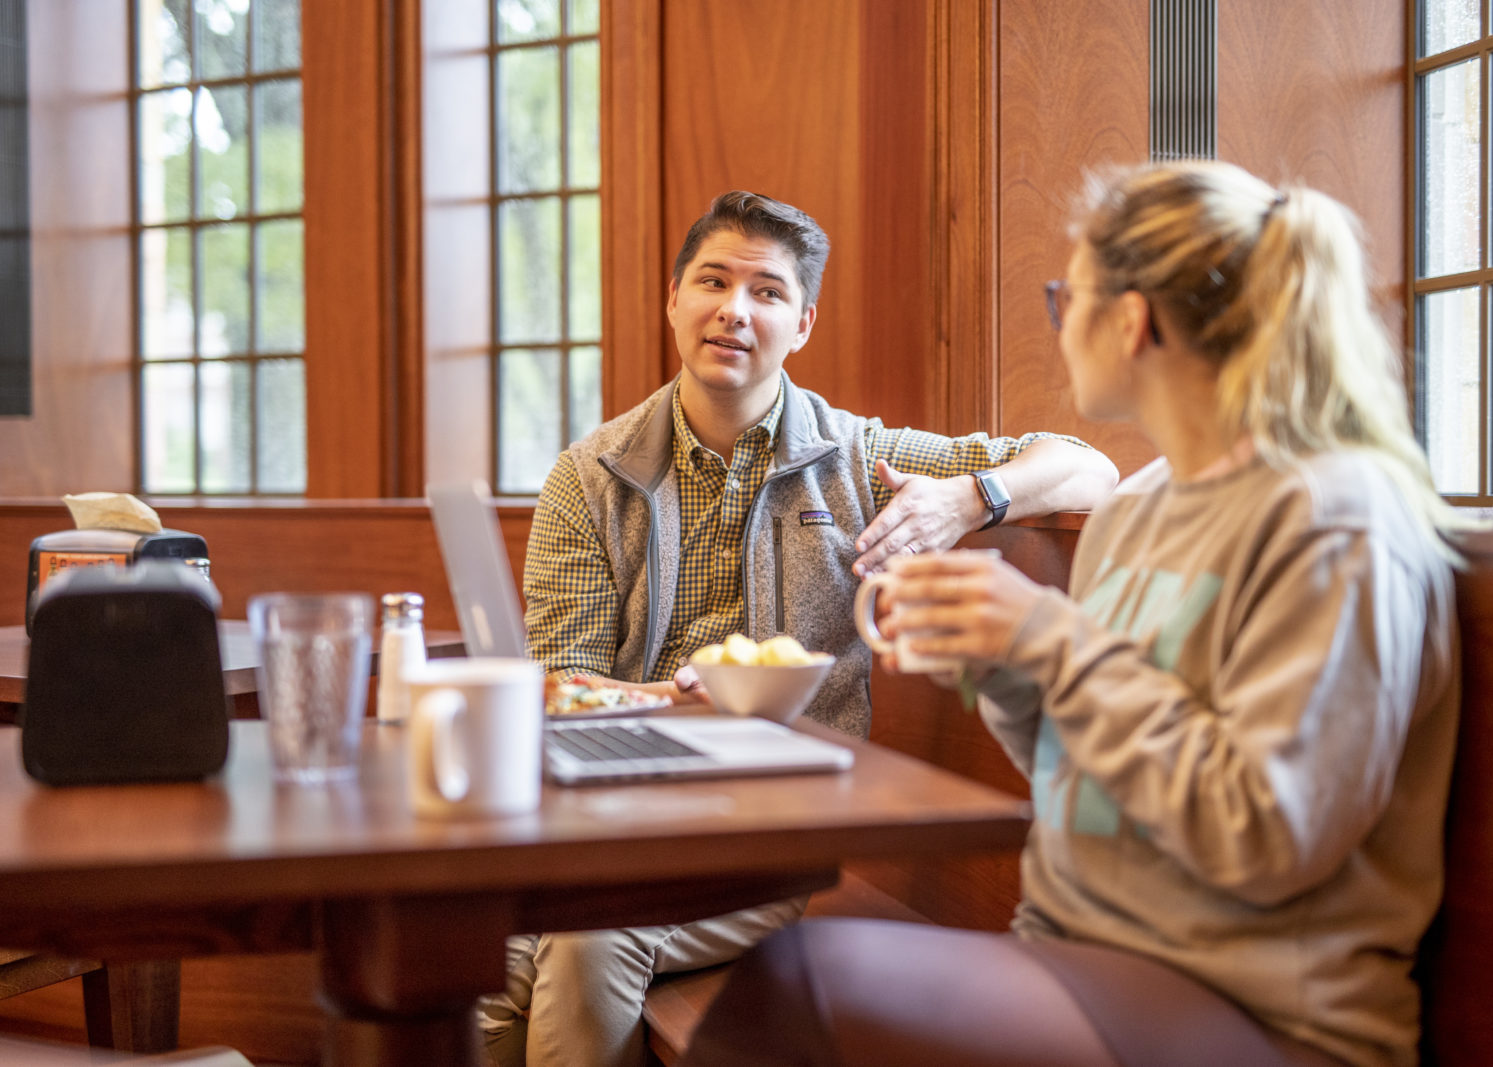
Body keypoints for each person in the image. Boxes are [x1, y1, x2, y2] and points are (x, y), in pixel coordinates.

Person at [678, 161, 1462, 1067]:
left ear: (1130, 321)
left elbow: (1271, 834)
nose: (1060, 325)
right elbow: (1087, 771)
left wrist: (1049, 636)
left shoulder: (1337, 515)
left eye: (1065, 298)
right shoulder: (1137, 506)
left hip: (1262, 1010)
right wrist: (1005, 663)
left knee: (805, 982)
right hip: (1072, 951)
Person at [476, 190, 1119, 1067]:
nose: (734, 310)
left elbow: (1090, 464)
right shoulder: (589, 478)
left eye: (768, 292)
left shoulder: (858, 456)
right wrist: (671, 700)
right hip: (614, 821)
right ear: (673, 299)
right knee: (464, 960)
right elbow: (561, 683)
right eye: (712, 281)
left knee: (589, 942)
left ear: (803, 322)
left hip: (780, 830)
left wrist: (968, 499)